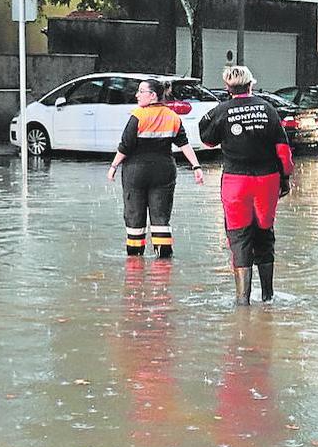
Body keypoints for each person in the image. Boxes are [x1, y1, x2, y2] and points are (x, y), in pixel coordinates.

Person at [198, 65, 294, 305]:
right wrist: (285, 178)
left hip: (235, 182)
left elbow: (207, 140)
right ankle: (268, 297)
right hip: (267, 181)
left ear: (227, 87)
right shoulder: (268, 109)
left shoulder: (222, 111)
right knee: (264, 234)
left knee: (239, 237)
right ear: (251, 84)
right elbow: (283, 151)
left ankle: (242, 302)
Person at [107, 79, 205, 257]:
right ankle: (163, 264)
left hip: (136, 172)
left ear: (152, 96)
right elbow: (184, 144)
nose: (137, 95)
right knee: (161, 217)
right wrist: (196, 166)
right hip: (164, 170)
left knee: (134, 216)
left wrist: (113, 166)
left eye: (141, 91)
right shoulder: (172, 116)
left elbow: (126, 145)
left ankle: (135, 262)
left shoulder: (138, 116)